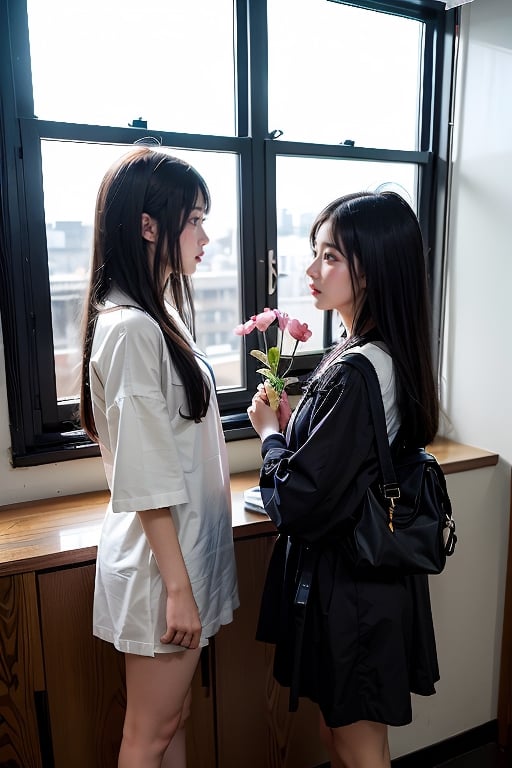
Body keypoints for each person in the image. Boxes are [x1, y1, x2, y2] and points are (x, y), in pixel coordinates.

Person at [247, 191, 440, 768]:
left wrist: (269, 435)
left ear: (374, 266)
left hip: (353, 589)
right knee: (350, 739)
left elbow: (300, 500)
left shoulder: (356, 368)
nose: (311, 269)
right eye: (316, 252)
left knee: (356, 746)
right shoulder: (382, 353)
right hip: (369, 581)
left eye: (330, 256)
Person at [80, 146, 239, 768]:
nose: (205, 235)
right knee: (148, 733)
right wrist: (177, 587)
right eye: (194, 219)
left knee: (174, 720)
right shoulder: (131, 328)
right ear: (149, 225)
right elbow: (143, 473)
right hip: (160, 567)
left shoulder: (156, 312)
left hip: (179, 556)